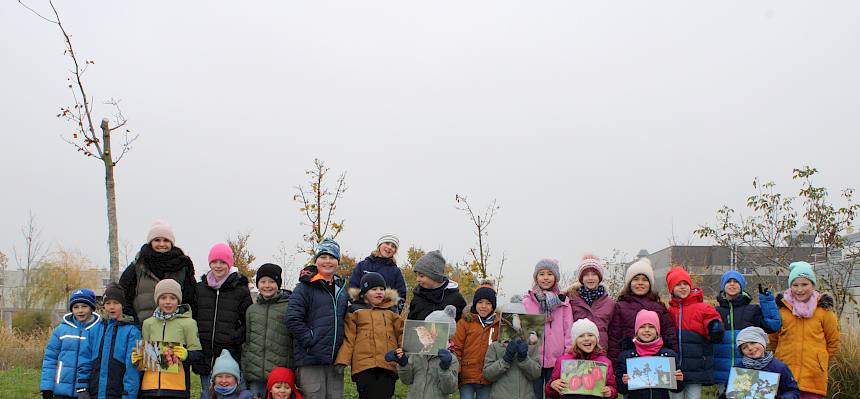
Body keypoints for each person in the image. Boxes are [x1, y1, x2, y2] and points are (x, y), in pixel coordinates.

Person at [286, 238, 349, 399]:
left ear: (338, 261)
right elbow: (293, 319)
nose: (327, 261)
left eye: (332, 257)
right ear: (316, 260)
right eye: (323, 257)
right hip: (310, 360)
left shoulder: (341, 289)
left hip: (334, 360)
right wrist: (311, 341)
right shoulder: (304, 287)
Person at [770, 261, 840, 399]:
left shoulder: (824, 312)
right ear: (790, 286)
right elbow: (773, 340)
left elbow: (833, 343)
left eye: (805, 284)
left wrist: (820, 361)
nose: (800, 289)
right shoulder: (781, 311)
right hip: (785, 375)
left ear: (813, 285)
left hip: (813, 378)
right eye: (795, 285)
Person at [194, 243, 253, 398]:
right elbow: (193, 317)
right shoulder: (200, 288)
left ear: (229, 264)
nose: (218, 266)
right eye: (214, 262)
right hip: (205, 356)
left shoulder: (240, 290)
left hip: (229, 358)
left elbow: (248, 321)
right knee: (208, 394)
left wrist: (234, 338)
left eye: (222, 262)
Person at [335, 272, 404, 399]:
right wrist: (342, 360)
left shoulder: (392, 312)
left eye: (382, 289)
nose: (379, 292)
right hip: (364, 365)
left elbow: (401, 333)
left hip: (387, 363)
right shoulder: (356, 311)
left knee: (385, 394)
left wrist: (402, 351)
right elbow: (349, 338)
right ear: (364, 293)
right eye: (374, 289)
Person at [712, 270, 781, 392]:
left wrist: (767, 301)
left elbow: (773, 326)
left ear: (742, 286)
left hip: (747, 369)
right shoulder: (715, 311)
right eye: (728, 281)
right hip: (723, 370)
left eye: (736, 282)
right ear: (723, 286)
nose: (732, 284)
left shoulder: (752, 310)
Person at [119, 220, 196, 324]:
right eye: (157, 240)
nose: (161, 244)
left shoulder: (183, 267)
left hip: (174, 331)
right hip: (144, 330)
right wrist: (135, 323)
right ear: (151, 242)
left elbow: (190, 300)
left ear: (171, 243)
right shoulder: (137, 266)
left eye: (166, 240)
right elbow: (123, 298)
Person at [136, 279, 203, 399]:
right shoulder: (148, 323)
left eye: (172, 298)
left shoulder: (189, 323)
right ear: (157, 300)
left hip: (177, 388)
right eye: (163, 298)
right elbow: (145, 355)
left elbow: (198, 354)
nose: (167, 302)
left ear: (178, 300)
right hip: (149, 387)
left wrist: (187, 355)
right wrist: (138, 358)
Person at [665, 267, 724, 399]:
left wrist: (715, 328)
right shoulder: (668, 311)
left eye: (685, 284)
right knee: (676, 397)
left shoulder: (703, 308)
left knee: (693, 396)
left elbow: (713, 320)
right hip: (675, 367)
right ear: (671, 289)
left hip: (696, 365)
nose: (683, 287)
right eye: (678, 284)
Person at [607, 257, 678, 367]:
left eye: (644, 280)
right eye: (636, 279)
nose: (640, 283)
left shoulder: (659, 307)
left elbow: (670, 335)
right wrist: (616, 365)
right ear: (629, 283)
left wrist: (673, 361)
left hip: (657, 361)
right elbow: (614, 338)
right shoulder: (620, 307)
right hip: (629, 361)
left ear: (650, 284)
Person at [75, 283, 141, 399]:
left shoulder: (132, 332)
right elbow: (84, 359)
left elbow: (132, 369)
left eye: (116, 303)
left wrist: (128, 394)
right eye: (108, 303)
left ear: (122, 305)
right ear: (103, 306)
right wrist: (82, 387)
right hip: (93, 392)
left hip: (118, 393)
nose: (111, 307)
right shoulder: (94, 330)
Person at [523, 258, 573, 399]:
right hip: (533, 359)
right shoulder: (527, 301)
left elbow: (568, 331)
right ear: (536, 277)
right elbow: (522, 331)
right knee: (534, 395)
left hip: (557, 360)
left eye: (550, 274)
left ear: (555, 277)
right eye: (542, 274)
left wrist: (567, 356)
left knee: (555, 395)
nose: (546, 278)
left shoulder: (563, 303)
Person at [242, 263, 293, 398]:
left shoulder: (288, 307)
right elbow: (248, 341)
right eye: (263, 281)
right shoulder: (252, 310)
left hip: (280, 374)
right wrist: (246, 368)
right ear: (258, 284)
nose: (267, 285)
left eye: (271, 282)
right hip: (256, 374)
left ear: (278, 284)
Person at [388, 305, 460, 399]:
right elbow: (406, 380)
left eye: (435, 329)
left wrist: (444, 369)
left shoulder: (451, 359)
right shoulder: (416, 353)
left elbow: (449, 389)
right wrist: (403, 364)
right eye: (428, 327)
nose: (430, 332)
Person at [41, 289, 102, 399]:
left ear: (92, 308)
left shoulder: (99, 329)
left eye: (84, 306)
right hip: (61, 390)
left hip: (87, 390)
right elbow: (50, 359)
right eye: (76, 307)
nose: (80, 310)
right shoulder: (61, 330)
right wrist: (47, 387)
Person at [615, 310, 684, 399]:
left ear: (657, 330)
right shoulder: (626, 356)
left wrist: (678, 380)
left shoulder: (668, 355)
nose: (647, 330)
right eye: (642, 327)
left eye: (651, 327)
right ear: (636, 330)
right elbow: (621, 389)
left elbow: (677, 389)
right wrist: (624, 382)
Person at [483, 298, 541, 399]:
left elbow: (536, 374)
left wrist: (524, 359)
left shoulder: (531, 346)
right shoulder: (495, 346)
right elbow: (488, 375)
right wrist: (505, 359)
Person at [546, 318, 618, 399]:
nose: (586, 338)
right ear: (575, 341)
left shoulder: (605, 362)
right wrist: (552, 385)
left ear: (597, 339)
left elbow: (613, 388)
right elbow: (551, 392)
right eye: (581, 336)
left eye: (590, 335)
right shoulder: (563, 361)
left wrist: (610, 392)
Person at [451, 285, 501, 399]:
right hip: (466, 376)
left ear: (493, 306)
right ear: (475, 303)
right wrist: (457, 371)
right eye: (480, 302)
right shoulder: (465, 323)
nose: (484, 306)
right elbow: (456, 348)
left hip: (487, 377)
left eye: (488, 303)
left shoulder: (498, 325)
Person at [728, 327, 799, 399]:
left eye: (753, 342)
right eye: (744, 347)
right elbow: (730, 390)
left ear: (762, 341)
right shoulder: (738, 368)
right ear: (742, 352)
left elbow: (793, 391)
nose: (750, 348)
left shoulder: (779, 367)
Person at [566, 254, 615, 350]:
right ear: (581, 279)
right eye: (586, 275)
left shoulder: (610, 303)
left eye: (594, 274)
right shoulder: (572, 301)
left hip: (601, 352)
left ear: (599, 277)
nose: (590, 278)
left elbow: (613, 333)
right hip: (578, 353)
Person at [348, 234, 407, 312]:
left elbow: (401, 294)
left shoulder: (396, 271)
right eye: (387, 243)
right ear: (379, 245)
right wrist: (358, 306)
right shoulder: (362, 265)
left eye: (393, 246)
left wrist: (394, 311)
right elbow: (353, 287)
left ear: (395, 251)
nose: (389, 247)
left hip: (385, 313)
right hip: (362, 311)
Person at [406, 250, 468, 321]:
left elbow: (464, 325)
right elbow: (411, 327)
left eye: (421, 276)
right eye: (416, 276)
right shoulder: (417, 299)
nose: (417, 279)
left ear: (434, 276)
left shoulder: (456, 299)